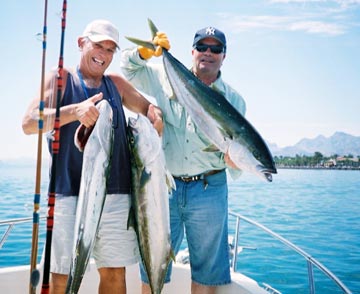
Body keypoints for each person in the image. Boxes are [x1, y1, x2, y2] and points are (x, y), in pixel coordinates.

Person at [22, 19, 163, 294]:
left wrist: (155, 117)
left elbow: (149, 109)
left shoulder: (117, 85)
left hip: (116, 197)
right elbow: (28, 123)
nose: (104, 54)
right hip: (68, 195)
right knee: (61, 277)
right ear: (80, 43)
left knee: (113, 275)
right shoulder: (60, 78)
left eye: (110, 49)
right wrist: (74, 112)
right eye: (98, 45)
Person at [120, 25, 246, 294]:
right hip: (164, 187)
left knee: (208, 272)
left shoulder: (234, 100)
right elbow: (128, 69)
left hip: (209, 190)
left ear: (224, 56)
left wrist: (237, 163)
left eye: (216, 49)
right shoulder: (165, 76)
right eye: (202, 47)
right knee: (153, 262)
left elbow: (238, 151)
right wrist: (144, 53)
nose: (208, 53)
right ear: (192, 52)